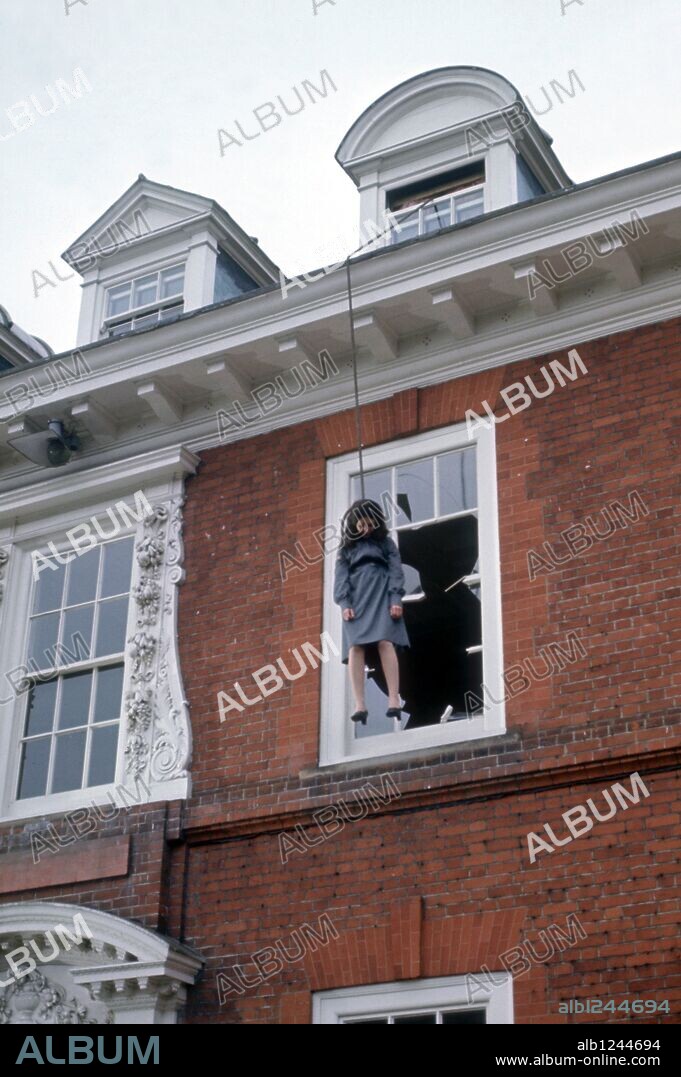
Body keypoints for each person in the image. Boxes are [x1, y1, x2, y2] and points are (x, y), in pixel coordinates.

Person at [333, 498, 410, 725]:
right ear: (354, 525)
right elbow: (340, 577)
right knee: (355, 647)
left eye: (370, 525)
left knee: (385, 642)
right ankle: (360, 703)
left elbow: (396, 570)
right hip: (357, 598)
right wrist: (344, 603)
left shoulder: (385, 544)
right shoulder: (347, 548)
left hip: (380, 593)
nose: (366, 530)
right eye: (361, 526)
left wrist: (395, 597)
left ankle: (393, 698)